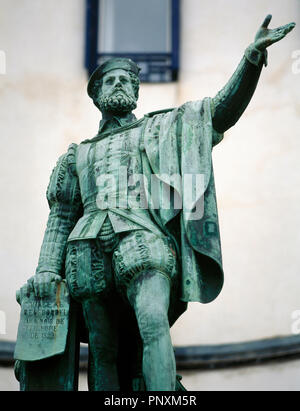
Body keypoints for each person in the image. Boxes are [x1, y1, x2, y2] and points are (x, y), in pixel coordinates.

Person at [22, 15, 295, 391]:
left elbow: (219, 111)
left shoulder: (161, 127)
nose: (119, 85)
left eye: (127, 81)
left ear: (136, 92)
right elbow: (62, 216)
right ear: (98, 94)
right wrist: (47, 270)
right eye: (110, 81)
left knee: (153, 325)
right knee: (103, 350)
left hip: (143, 241)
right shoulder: (76, 155)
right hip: (83, 250)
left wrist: (250, 61)